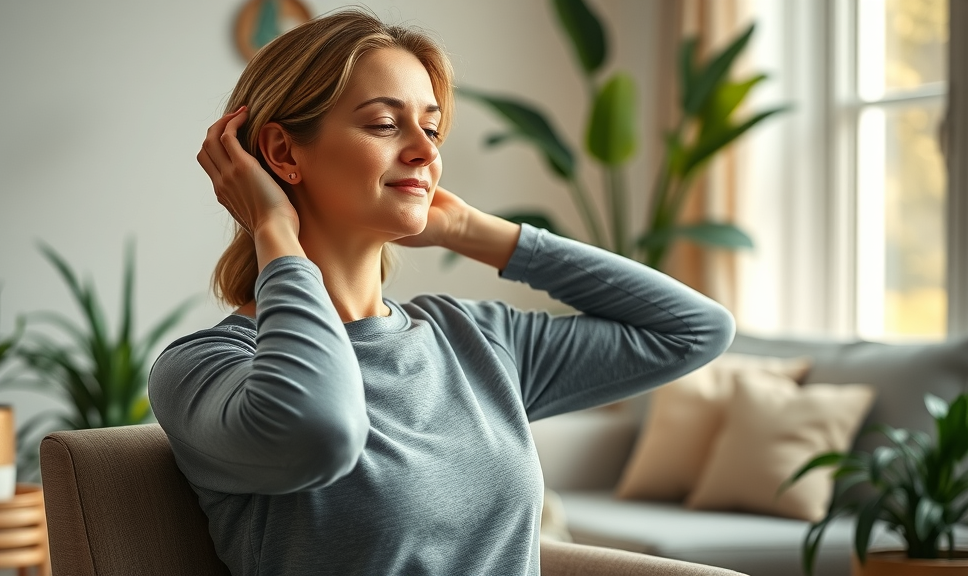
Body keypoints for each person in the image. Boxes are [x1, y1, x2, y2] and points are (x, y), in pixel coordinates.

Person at [149, 8, 735, 576]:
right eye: (384, 123)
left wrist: (472, 231)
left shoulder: (471, 340)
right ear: (282, 152)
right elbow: (319, 433)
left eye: (430, 127)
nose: (427, 151)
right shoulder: (206, 368)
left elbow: (695, 331)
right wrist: (275, 231)